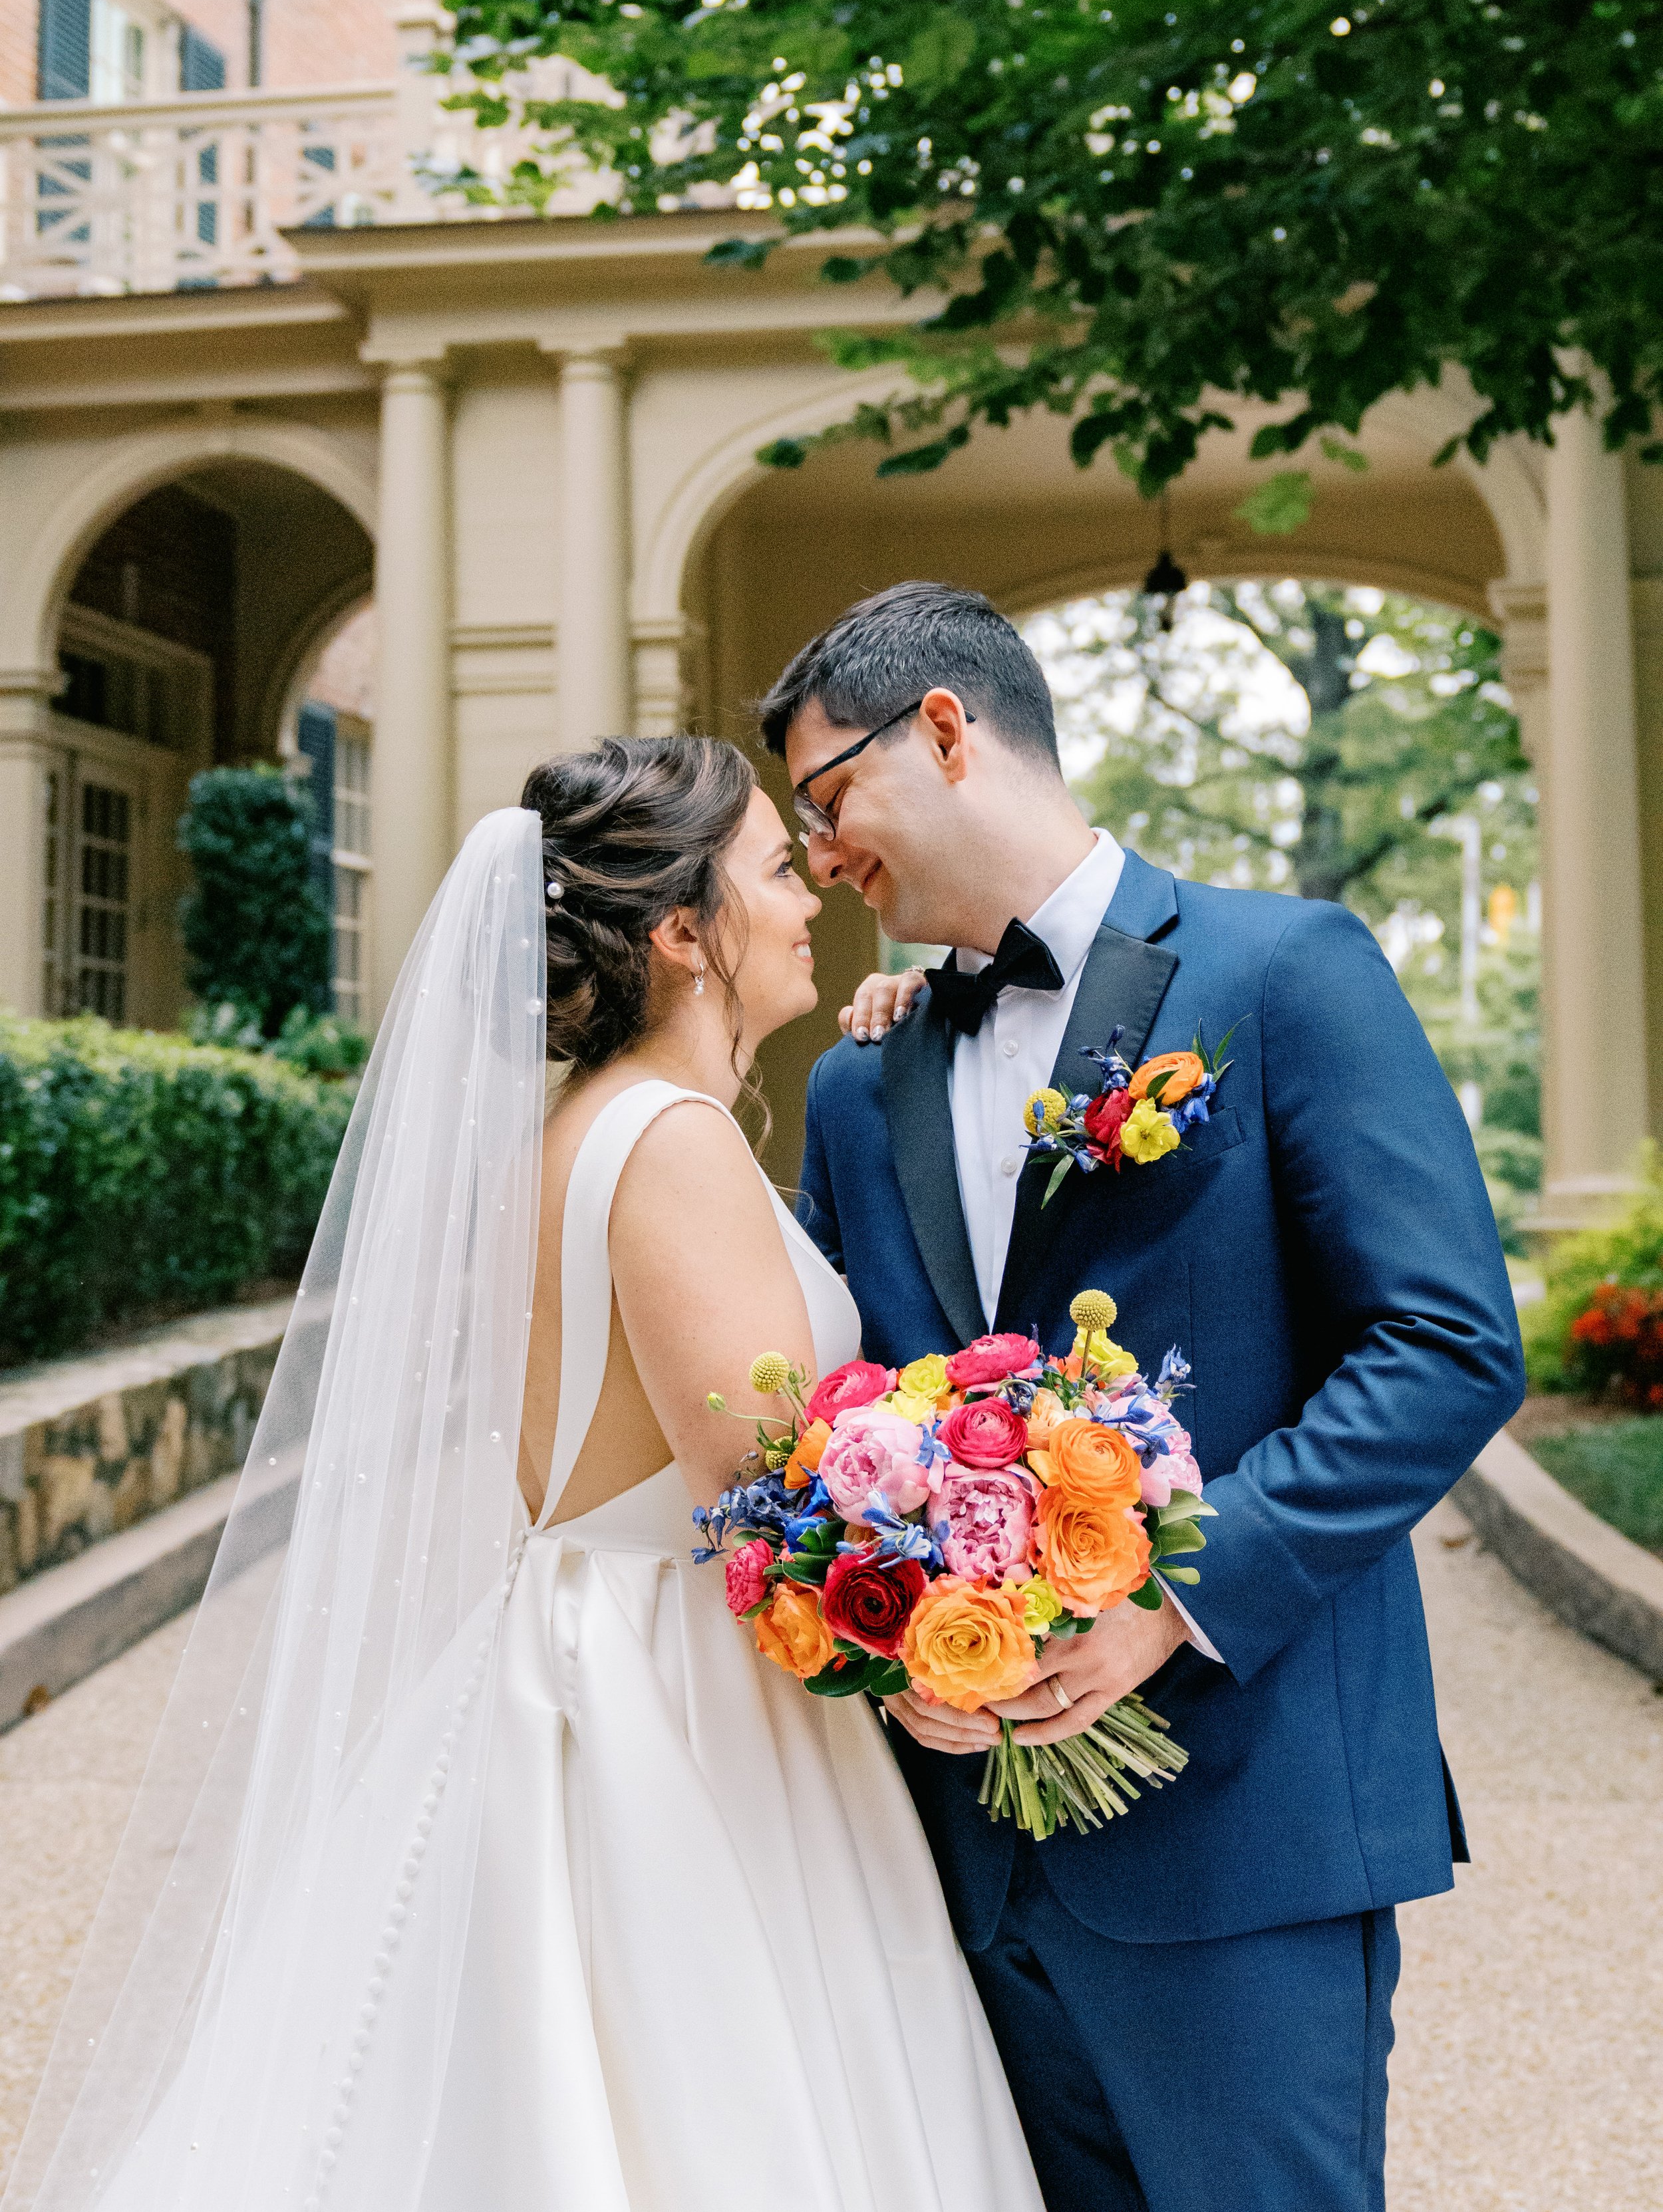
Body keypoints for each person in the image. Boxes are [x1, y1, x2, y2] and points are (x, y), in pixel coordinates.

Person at [5, 740, 1040, 2212]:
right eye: (766, 865)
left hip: (573, 1640)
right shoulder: (668, 1140)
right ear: (683, 931)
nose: (808, 887)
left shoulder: (583, 1127)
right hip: (675, 1697)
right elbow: (775, 1495)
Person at [764, 581, 1527, 2212]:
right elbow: (840, 1423)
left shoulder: (1283, 972)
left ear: (947, 730)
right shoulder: (854, 1081)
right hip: (967, 1860)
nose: (821, 855)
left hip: (1248, 1826)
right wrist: (884, 1639)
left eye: (829, 799)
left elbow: (1446, 1342)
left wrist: (1171, 1596)